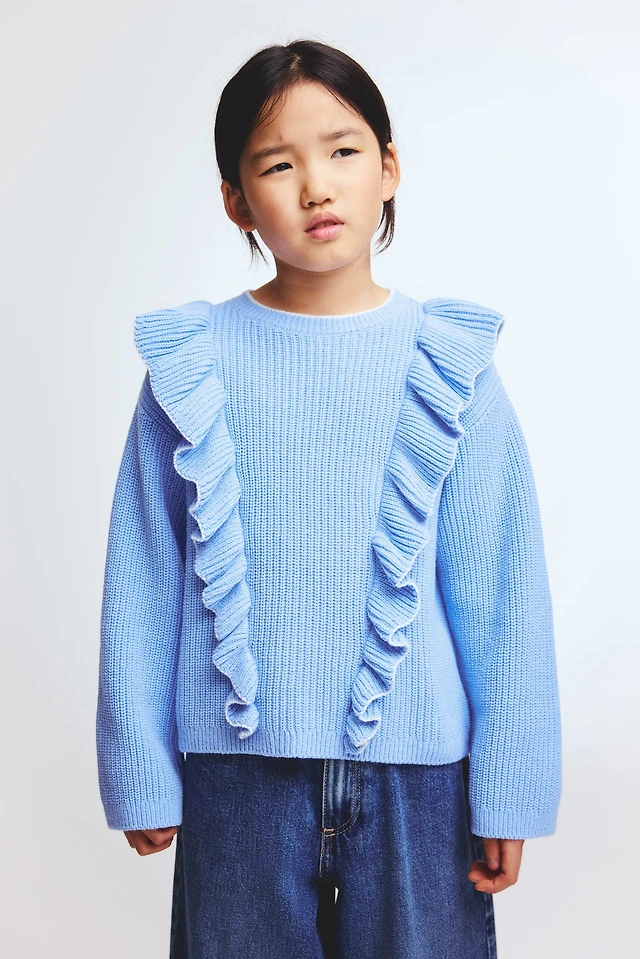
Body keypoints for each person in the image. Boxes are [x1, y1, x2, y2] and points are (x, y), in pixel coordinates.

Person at [95, 38, 562, 959]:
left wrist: (511, 785)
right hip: (236, 777)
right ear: (236, 200)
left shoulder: (450, 366)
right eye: (278, 163)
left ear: (388, 168)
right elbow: (142, 575)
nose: (316, 186)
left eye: (343, 151)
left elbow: (503, 587)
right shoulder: (191, 367)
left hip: (421, 779)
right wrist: (138, 764)